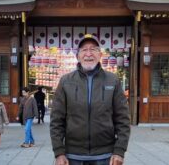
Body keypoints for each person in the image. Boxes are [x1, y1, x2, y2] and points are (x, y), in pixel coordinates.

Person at [50, 34, 131, 165]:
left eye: (93, 49)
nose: (88, 54)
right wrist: (59, 152)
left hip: (105, 156)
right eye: (84, 50)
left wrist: (119, 151)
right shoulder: (65, 81)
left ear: (100, 55)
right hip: (73, 156)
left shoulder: (112, 80)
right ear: (77, 56)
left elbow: (122, 118)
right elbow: (56, 120)